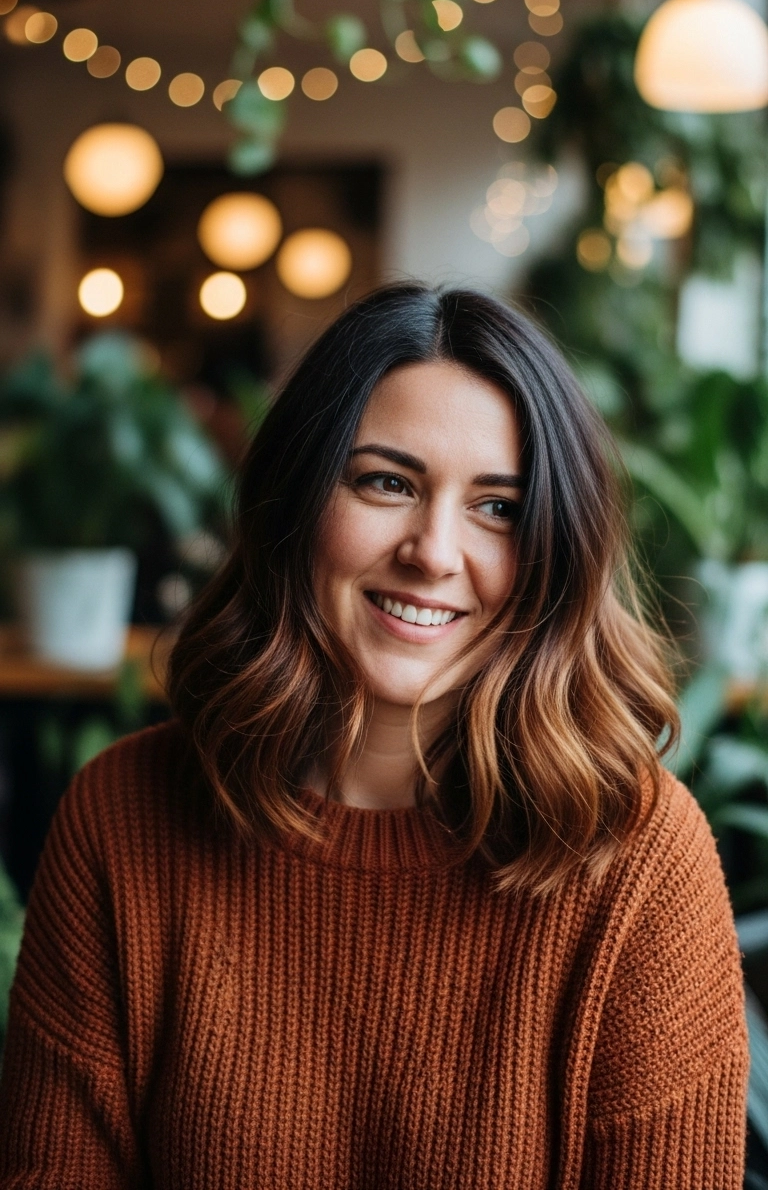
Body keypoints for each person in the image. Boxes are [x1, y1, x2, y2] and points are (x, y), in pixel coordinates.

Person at [0, 284, 748, 1188]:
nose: (433, 550)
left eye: (498, 507)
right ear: (298, 502)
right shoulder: (122, 819)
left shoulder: (640, 862)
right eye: (387, 483)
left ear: (554, 551)